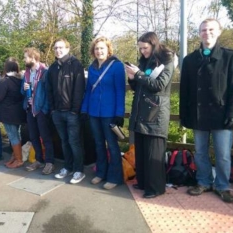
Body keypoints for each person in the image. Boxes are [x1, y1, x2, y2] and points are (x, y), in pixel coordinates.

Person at [180, 18, 233, 203]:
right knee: (200, 152)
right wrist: (185, 116)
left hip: (222, 115)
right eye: (203, 30)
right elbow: (185, 91)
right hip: (198, 115)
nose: (207, 33)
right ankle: (204, 181)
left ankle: (222, 186)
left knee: (222, 154)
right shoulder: (190, 60)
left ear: (219, 31)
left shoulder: (230, 56)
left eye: (211, 29)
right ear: (199, 33)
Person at [125, 32, 175, 198]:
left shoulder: (167, 59)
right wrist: (132, 78)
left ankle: (156, 188)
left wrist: (138, 74)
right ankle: (144, 181)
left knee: (154, 153)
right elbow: (140, 86)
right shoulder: (144, 61)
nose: (142, 52)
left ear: (153, 45)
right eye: (140, 48)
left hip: (156, 113)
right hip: (141, 112)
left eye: (145, 48)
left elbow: (159, 85)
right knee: (141, 150)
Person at [81, 37, 125, 189]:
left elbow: (120, 91)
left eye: (102, 48)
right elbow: (88, 91)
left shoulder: (117, 66)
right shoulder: (92, 67)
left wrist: (120, 113)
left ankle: (115, 176)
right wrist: (84, 109)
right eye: (97, 49)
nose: (99, 51)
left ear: (108, 50)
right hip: (94, 112)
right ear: (93, 51)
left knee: (112, 145)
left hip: (109, 113)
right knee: (98, 144)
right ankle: (101, 173)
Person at [46, 38, 86, 184]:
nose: (58, 50)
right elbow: (49, 89)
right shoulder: (52, 67)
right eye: (56, 48)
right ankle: (67, 167)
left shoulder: (75, 65)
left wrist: (75, 110)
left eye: (61, 47)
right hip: (57, 112)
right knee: (64, 142)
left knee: (74, 142)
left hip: (71, 113)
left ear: (68, 49)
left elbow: (79, 89)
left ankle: (79, 170)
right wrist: (52, 109)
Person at [22, 47, 56, 175]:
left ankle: (49, 162)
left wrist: (44, 109)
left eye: (26, 57)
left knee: (46, 137)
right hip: (30, 109)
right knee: (33, 136)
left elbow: (48, 92)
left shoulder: (44, 72)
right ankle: (38, 160)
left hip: (41, 110)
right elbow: (22, 92)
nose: (24, 60)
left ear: (33, 58)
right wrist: (24, 88)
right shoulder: (26, 73)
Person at [0, 58, 26, 168]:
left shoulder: (5, 81)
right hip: (19, 112)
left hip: (8, 113)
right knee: (17, 135)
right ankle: (15, 156)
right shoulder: (21, 80)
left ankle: (19, 159)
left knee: (13, 136)